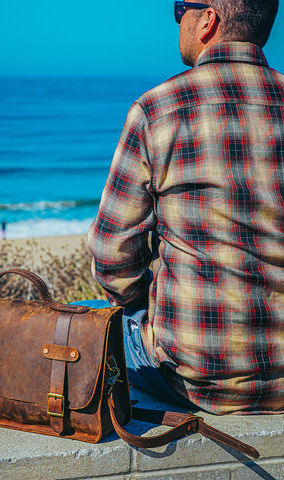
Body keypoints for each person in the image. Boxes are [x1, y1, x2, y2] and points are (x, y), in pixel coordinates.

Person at [87, 0, 284, 415]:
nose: (178, 19)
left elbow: (111, 256)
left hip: (195, 380)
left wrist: (143, 305)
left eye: (181, 8)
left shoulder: (159, 109)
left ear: (208, 20)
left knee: (84, 317)